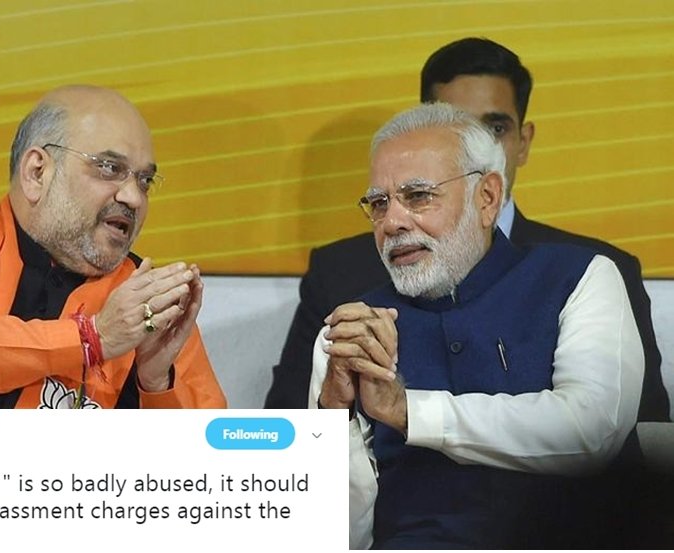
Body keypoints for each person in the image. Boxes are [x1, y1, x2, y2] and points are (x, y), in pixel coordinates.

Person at [266, 37, 669, 423]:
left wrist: (410, 413)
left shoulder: (588, 273)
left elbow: (641, 436)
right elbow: (288, 436)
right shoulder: (340, 274)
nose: (478, 147)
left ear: (523, 141)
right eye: (454, 126)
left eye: (494, 129)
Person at [311, 102, 643, 548]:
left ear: (486, 198)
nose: (392, 222)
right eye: (378, 203)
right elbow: (333, 538)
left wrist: (408, 411)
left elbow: (591, 434)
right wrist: (334, 418)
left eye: (418, 196)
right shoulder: (354, 331)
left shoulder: (578, 278)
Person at [0, 85, 226, 409]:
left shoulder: (146, 300)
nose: (133, 197)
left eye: (145, 180)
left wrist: (157, 383)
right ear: (37, 172)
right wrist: (90, 338)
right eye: (109, 168)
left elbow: (212, 452)